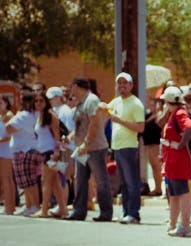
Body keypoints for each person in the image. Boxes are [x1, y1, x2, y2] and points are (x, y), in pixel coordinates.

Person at [66, 77, 113, 222]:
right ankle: (79, 211)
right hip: (82, 149)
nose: (70, 90)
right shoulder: (81, 102)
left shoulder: (92, 100)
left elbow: (94, 123)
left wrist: (86, 143)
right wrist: (70, 137)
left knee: (100, 180)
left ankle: (105, 213)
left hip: (94, 148)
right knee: (80, 180)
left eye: (71, 87)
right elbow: (81, 125)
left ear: (76, 86)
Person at [107, 72, 145, 224]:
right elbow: (105, 109)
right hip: (117, 146)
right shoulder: (116, 102)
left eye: (125, 83)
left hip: (129, 147)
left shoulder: (135, 103)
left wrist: (120, 121)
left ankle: (134, 214)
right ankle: (126, 212)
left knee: (131, 182)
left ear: (131, 85)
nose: (122, 86)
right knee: (123, 182)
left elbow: (140, 128)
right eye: (119, 83)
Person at [157, 87, 191, 237]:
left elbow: (190, 128)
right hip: (171, 161)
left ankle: (185, 225)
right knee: (173, 194)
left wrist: (180, 144)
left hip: (179, 161)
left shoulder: (179, 113)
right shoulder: (172, 114)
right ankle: (173, 223)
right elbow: (159, 123)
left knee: (183, 193)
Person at [6, 90, 41, 216]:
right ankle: (29, 205)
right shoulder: (36, 114)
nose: (18, 101)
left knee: (28, 181)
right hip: (32, 148)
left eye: (21, 98)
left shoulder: (23, 115)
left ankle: (35, 206)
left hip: (23, 150)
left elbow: (9, 128)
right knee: (27, 181)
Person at [33, 93, 67, 218]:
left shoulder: (50, 115)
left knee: (45, 181)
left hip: (51, 152)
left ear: (46, 101)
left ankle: (44, 210)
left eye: (41, 100)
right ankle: (63, 208)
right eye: (36, 101)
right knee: (54, 182)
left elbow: (57, 134)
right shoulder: (40, 116)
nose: (38, 103)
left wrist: (56, 152)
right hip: (43, 151)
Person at [0, 94, 16, 215]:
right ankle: (8, 205)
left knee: (7, 179)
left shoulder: (9, 115)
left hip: (6, 150)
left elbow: (10, 134)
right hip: (2, 149)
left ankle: (9, 207)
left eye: (1, 102)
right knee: (4, 179)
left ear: (6, 103)